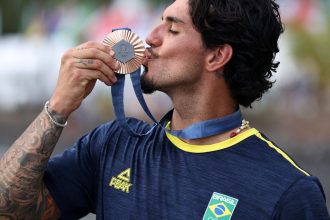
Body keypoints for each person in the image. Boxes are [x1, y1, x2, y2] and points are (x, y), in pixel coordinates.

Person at [0, 0, 329, 219]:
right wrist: (57, 108)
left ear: (217, 56)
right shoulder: (113, 145)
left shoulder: (288, 190)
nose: (149, 38)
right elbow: (9, 210)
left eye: (172, 29)